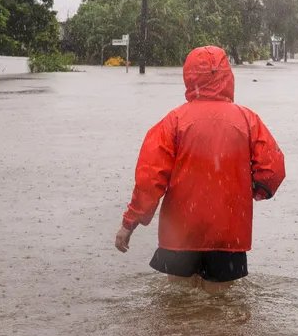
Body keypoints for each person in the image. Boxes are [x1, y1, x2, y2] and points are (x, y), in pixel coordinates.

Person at [115, 46, 285, 293]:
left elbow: (149, 179)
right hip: (228, 235)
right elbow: (273, 168)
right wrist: (254, 189)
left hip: (180, 235)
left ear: (189, 76)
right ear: (227, 76)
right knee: (219, 310)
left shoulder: (173, 121)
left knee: (178, 306)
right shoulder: (248, 120)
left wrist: (128, 224)